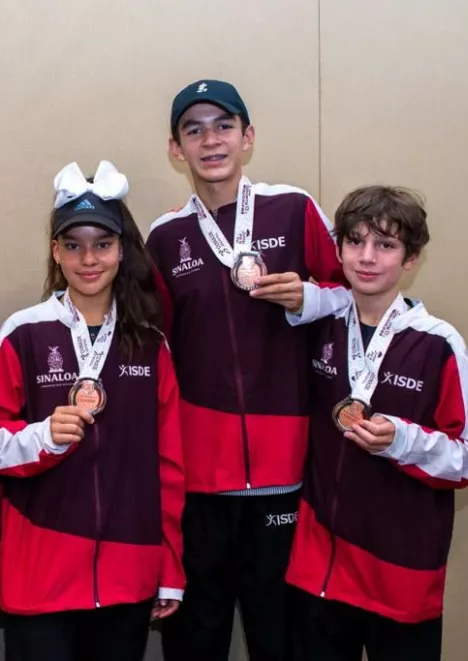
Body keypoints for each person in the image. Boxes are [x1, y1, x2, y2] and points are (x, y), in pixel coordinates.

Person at [145, 79, 346, 661]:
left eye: (224, 125)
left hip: (286, 468)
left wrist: (307, 296)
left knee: (280, 634)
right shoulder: (165, 237)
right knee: (197, 636)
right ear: (176, 149)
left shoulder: (295, 207)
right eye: (194, 129)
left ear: (248, 137)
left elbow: (352, 297)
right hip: (200, 477)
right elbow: (157, 346)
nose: (211, 140)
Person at [0, 161, 185, 661]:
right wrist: (44, 436)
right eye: (73, 244)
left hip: (128, 572)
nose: (88, 258)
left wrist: (170, 569)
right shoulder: (24, 333)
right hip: (40, 575)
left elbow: (170, 468)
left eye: (102, 244)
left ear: (121, 250)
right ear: (55, 251)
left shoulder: (149, 345)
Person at [284, 186, 468, 661]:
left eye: (386, 244)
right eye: (355, 242)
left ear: (412, 258)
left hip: (400, 575)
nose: (367, 257)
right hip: (319, 567)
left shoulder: (439, 344)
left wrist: (404, 440)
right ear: (338, 249)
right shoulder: (318, 327)